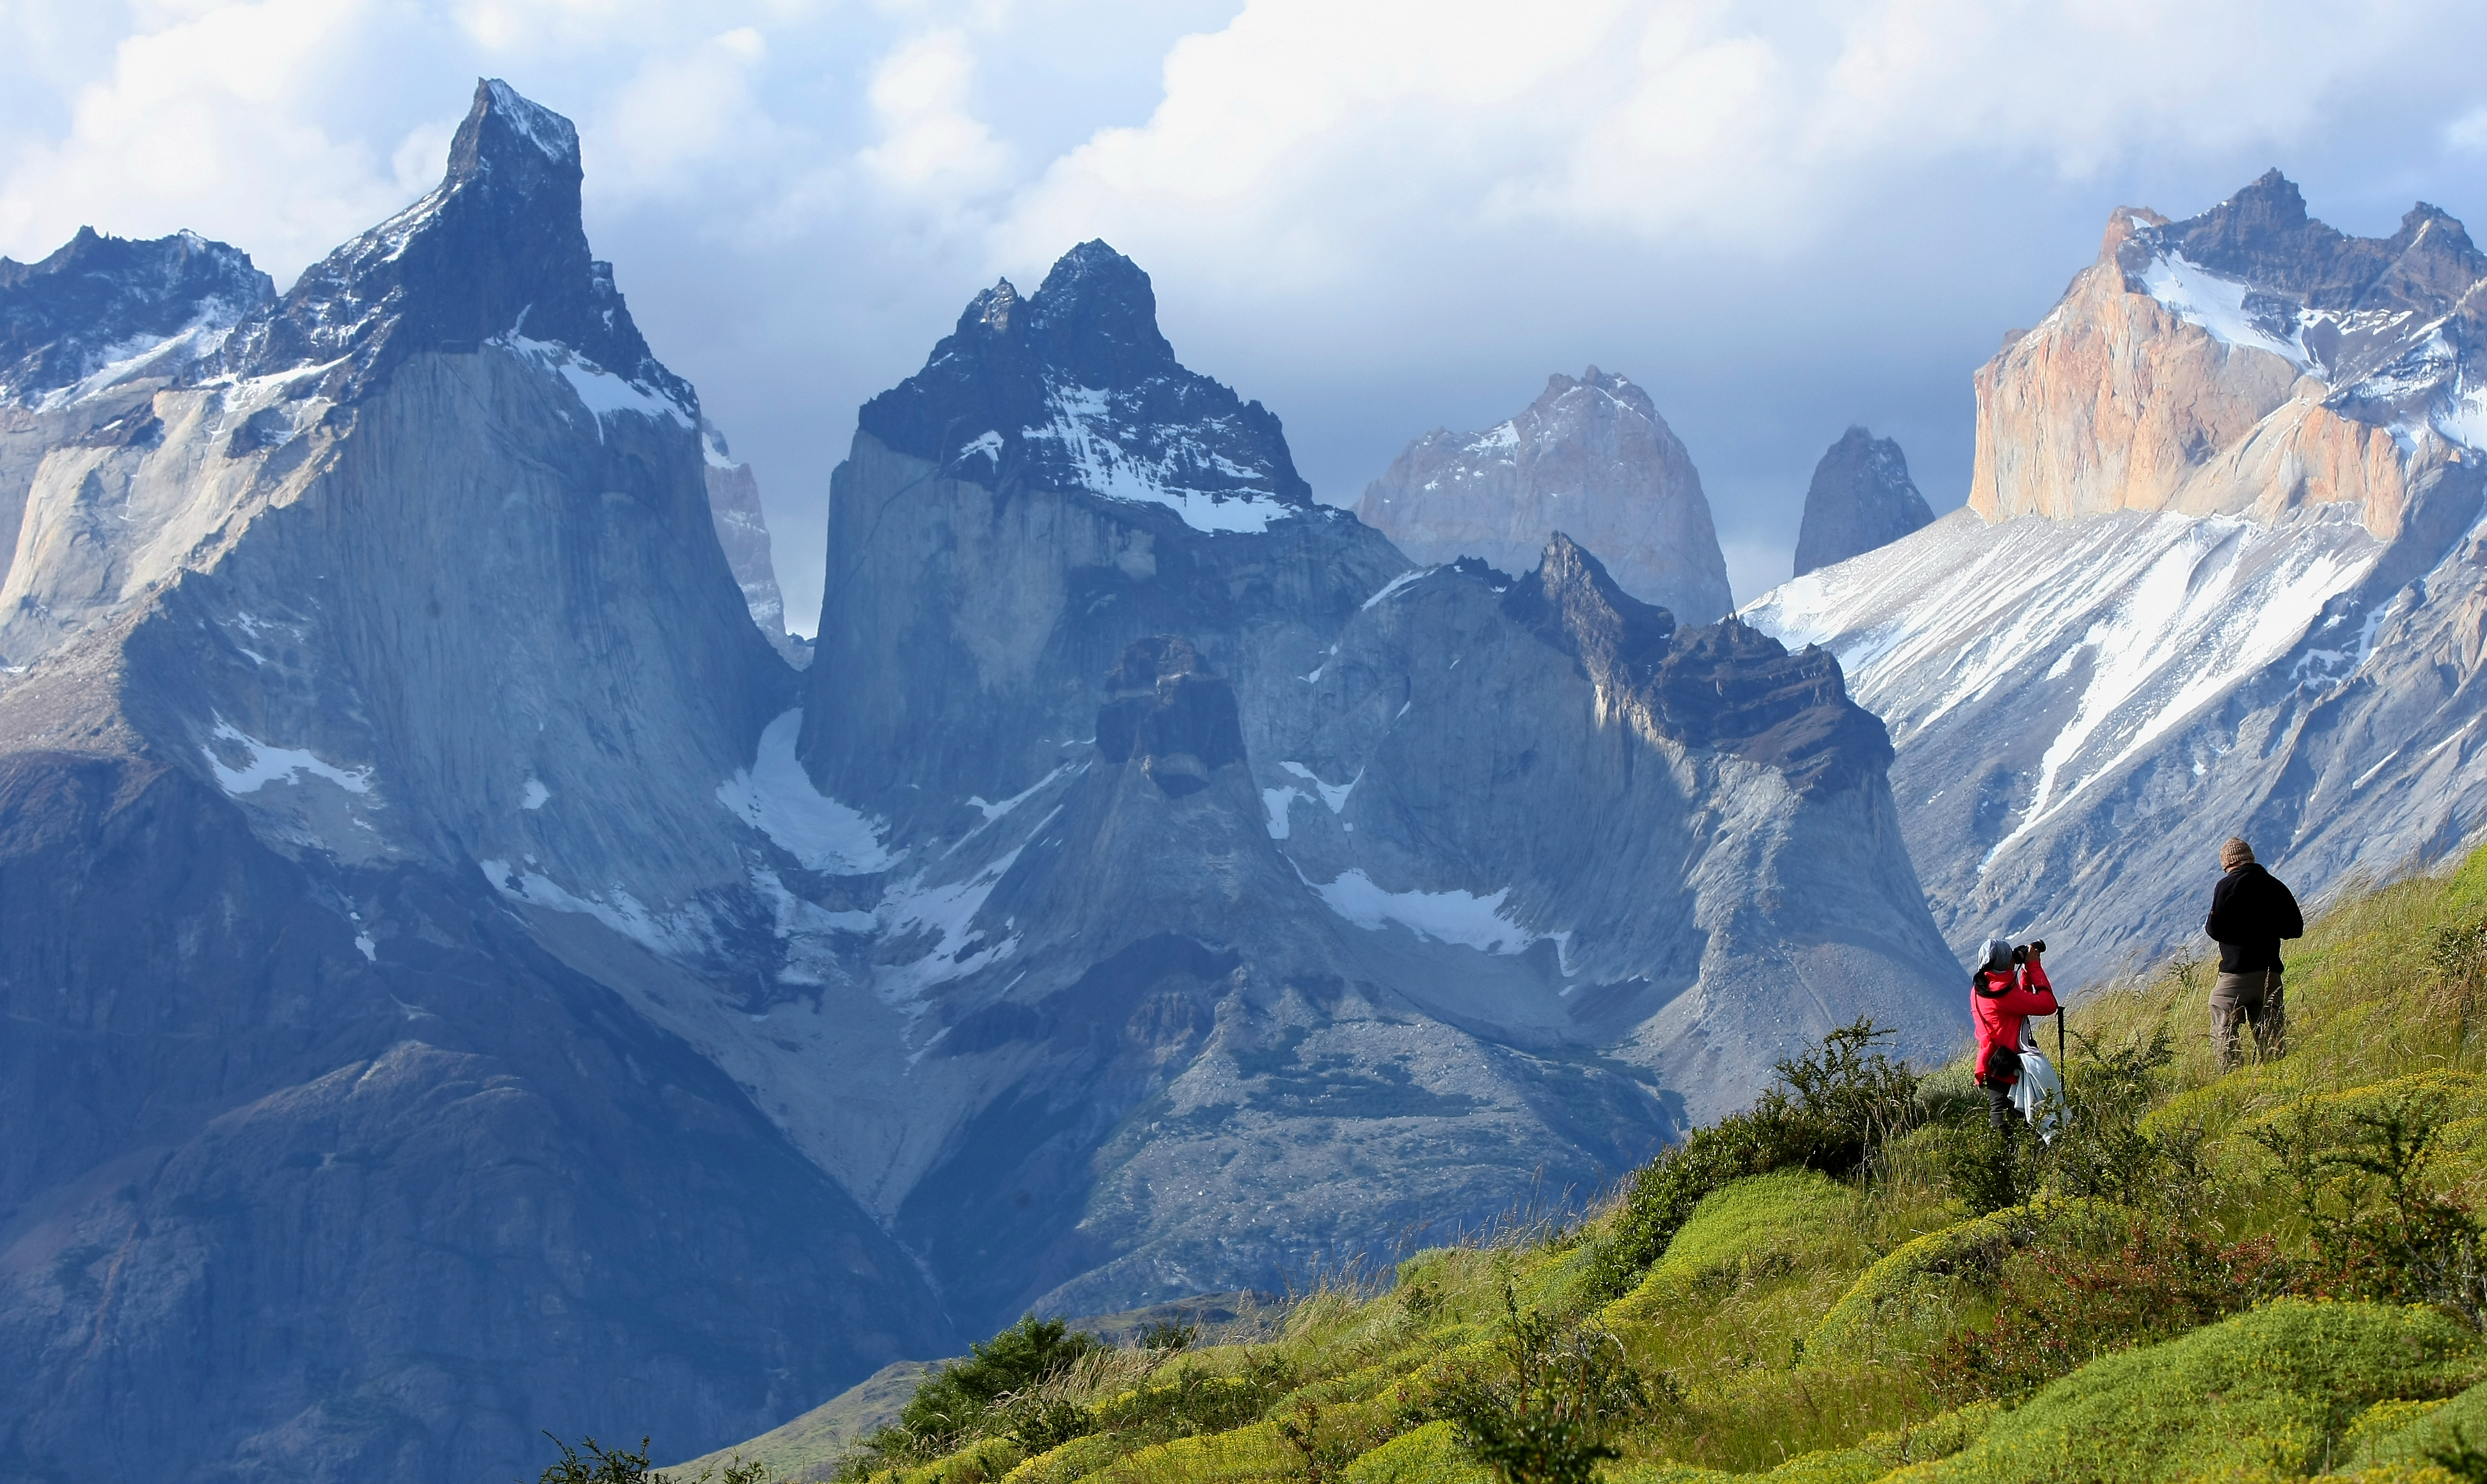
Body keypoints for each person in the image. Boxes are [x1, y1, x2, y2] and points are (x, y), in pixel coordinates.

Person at [2204, 836, 2302, 1071]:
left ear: (2228, 864)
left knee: (2222, 1019)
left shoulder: (2226, 886)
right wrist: (2266, 927)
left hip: (2237, 973)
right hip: (2270, 972)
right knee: (2270, 1030)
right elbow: (2295, 929)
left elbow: (2215, 929)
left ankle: (2233, 1074)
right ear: (2250, 858)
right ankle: (2275, 1074)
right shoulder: (2275, 885)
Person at [1970, 937, 2058, 1132]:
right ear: (2003, 962)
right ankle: (2019, 1159)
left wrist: (2024, 973)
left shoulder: (1981, 989)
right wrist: (2034, 967)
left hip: (1994, 1062)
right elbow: (2048, 1005)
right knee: (2020, 1123)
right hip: (2011, 1066)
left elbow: (2020, 1003)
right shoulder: (2002, 993)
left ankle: (2002, 1159)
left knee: (2002, 1119)